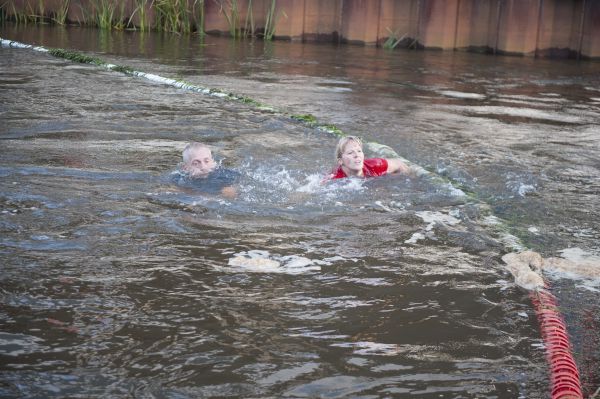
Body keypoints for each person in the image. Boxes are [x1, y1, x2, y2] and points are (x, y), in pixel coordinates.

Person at [328, 136, 411, 180]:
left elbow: (399, 164)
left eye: (359, 151)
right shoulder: (335, 178)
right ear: (341, 161)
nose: (357, 155)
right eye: (350, 153)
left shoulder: (374, 166)